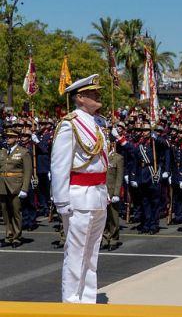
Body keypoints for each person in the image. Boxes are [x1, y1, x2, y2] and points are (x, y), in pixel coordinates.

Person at [51, 74, 109, 303]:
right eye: (93, 93)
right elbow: (59, 165)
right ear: (81, 97)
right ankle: (72, 303)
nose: (98, 95)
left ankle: (87, 300)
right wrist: (62, 201)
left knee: (91, 254)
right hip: (78, 196)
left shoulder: (97, 123)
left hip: (97, 195)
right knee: (75, 255)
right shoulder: (69, 124)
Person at [0, 128, 33, 248]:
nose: (7, 138)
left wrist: (25, 189)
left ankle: (17, 237)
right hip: (3, 186)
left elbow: (28, 172)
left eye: (10, 137)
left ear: (16, 138)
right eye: (6, 137)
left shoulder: (24, 152)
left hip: (16, 186)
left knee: (16, 212)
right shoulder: (2, 152)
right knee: (5, 213)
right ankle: (9, 236)